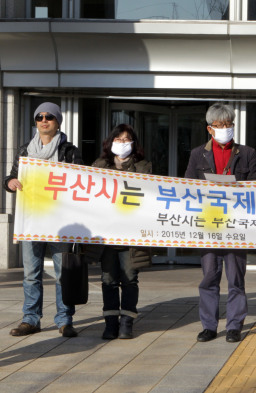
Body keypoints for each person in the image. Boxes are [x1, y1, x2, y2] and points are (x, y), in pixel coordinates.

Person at [3, 102, 83, 338]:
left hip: (60, 221)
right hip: (31, 220)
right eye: (40, 117)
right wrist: (10, 183)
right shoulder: (25, 149)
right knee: (31, 273)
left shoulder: (69, 151)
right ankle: (30, 318)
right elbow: (11, 177)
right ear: (36, 121)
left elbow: (80, 181)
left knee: (62, 273)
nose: (44, 120)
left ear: (58, 122)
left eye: (49, 117)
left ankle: (64, 319)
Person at [185, 104, 256, 343]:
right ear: (210, 129)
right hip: (209, 225)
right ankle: (209, 326)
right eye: (220, 126)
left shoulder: (247, 153)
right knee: (209, 277)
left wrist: (237, 187)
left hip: (236, 225)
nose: (225, 129)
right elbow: (188, 184)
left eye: (229, 125)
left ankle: (234, 325)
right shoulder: (198, 153)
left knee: (236, 278)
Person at [91, 124, 152, 340]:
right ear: (110, 143)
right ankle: (110, 323)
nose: (123, 144)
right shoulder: (98, 166)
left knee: (129, 279)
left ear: (134, 144)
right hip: (107, 236)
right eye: (118, 139)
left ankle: (127, 321)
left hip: (132, 236)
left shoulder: (144, 167)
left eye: (127, 140)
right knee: (108, 279)